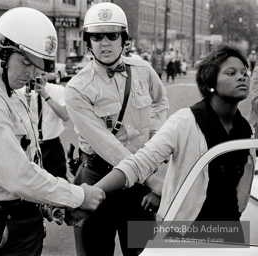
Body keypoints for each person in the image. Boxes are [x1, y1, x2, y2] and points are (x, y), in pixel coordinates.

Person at [0, 7, 105, 256]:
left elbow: (28, 159)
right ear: (3, 51)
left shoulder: (8, 87)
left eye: (37, 67)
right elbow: (16, 175)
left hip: (18, 221)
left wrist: (49, 204)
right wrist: (77, 196)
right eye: (25, 63)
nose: (31, 74)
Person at [93, 44, 255, 242]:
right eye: (231, 72)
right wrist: (93, 192)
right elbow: (138, 164)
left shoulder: (246, 130)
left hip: (230, 233)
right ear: (211, 83)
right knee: (137, 240)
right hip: (186, 234)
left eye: (244, 72)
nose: (242, 77)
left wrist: (166, 193)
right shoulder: (185, 121)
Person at [64, 3, 169, 256]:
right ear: (88, 42)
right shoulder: (77, 88)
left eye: (113, 35)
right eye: (97, 36)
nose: (105, 43)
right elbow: (105, 145)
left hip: (139, 187)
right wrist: (151, 178)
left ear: (125, 39)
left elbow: (160, 102)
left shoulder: (142, 71)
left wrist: (155, 137)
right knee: (95, 251)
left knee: (143, 251)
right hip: (99, 180)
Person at [20, 71, 69, 180]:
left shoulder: (58, 90)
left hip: (52, 146)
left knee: (59, 181)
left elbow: (65, 116)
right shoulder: (21, 91)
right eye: (36, 74)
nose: (39, 78)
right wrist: (25, 103)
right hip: (30, 145)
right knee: (31, 183)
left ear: (49, 74)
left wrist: (46, 95)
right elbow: (17, 121)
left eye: (43, 74)